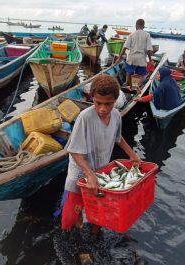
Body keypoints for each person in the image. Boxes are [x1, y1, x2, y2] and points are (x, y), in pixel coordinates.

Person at [59, 74, 141, 234]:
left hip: (101, 173)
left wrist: (132, 154)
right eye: (98, 103)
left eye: (108, 104)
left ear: (116, 100)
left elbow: (118, 137)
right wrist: (89, 174)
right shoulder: (85, 118)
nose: (103, 108)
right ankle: (77, 227)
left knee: (99, 215)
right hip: (79, 176)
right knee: (70, 217)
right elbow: (74, 151)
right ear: (92, 98)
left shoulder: (116, 115)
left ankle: (93, 235)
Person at [115, 18, 153, 90]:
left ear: (136, 25)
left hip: (131, 57)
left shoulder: (131, 34)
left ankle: (128, 85)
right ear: (143, 26)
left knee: (129, 71)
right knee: (141, 75)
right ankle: (136, 87)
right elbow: (149, 50)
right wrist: (150, 60)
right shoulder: (147, 35)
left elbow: (125, 47)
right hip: (141, 59)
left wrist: (119, 58)